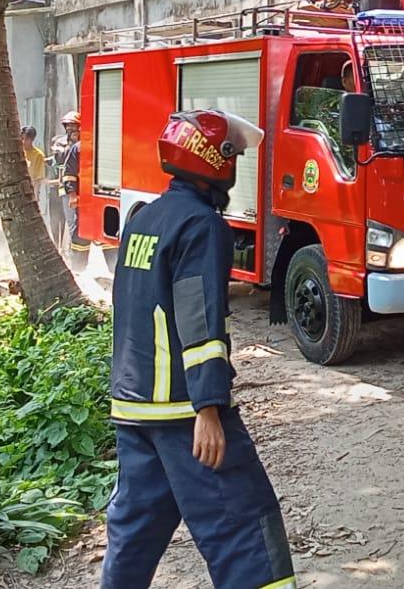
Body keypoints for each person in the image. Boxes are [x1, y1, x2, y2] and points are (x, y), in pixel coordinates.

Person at [101, 109, 296, 589]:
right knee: (245, 525)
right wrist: (208, 409)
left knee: (135, 530)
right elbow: (199, 321)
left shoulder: (143, 218)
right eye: (235, 154)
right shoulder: (202, 225)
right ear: (216, 161)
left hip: (135, 407)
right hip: (184, 411)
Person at [56, 110, 89, 268]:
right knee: (76, 226)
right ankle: (78, 266)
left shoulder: (89, 144)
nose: (71, 130)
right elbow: (69, 173)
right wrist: (72, 194)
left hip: (93, 193)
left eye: (74, 126)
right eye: (68, 127)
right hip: (74, 194)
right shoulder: (66, 146)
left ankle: (112, 267)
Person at [21, 125, 47, 211]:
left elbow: (38, 179)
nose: (23, 142)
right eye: (22, 138)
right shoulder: (17, 152)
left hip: (29, 192)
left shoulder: (38, 155)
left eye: (26, 139)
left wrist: (34, 196)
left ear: (32, 140)